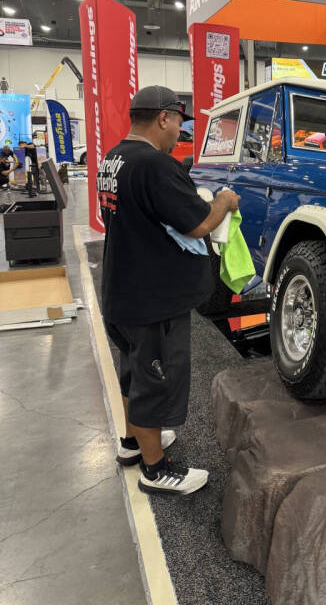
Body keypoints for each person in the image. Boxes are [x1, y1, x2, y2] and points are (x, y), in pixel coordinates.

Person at [98, 85, 240, 497]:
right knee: (154, 382)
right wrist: (225, 201)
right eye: (179, 121)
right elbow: (197, 224)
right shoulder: (155, 165)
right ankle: (156, 471)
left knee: (134, 372)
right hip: (152, 299)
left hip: (122, 291)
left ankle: (132, 444)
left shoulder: (114, 157)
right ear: (163, 117)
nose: (181, 130)